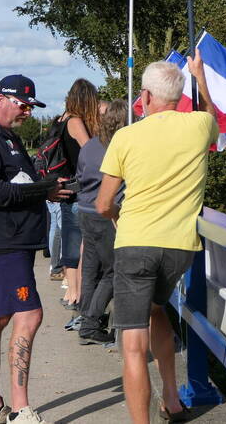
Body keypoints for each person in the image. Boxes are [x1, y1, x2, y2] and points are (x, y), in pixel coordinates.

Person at [96, 52, 218, 424]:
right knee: (156, 310)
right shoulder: (199, 126)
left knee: (132, 347)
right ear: (180, 98)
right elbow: (213, 115)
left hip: (136, 244)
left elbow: (102, 204)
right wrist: (200, 77)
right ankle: (172, 397)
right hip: (180, 248)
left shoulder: (126, 136)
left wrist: (119, 217)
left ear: (146, 97)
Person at [0, 74, 71, 424]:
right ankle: (20, 410)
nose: (26, 112)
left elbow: (16, 181)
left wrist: (45, 187)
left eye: (30, 107)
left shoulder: (6, 136)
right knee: (30, 314)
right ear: (1, 99)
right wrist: (42, 192)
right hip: (1, 241)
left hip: (10, 241)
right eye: (22, 105)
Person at [75, 98, 128, 345]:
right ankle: (90, 322)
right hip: (106, 214)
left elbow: (79, 175)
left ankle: (85, 317)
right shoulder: (121, 148)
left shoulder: (90, 146)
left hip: (85, 211)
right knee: (114, 269)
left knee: (90, 268)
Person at [50, 78, 101, 311]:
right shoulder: (75, 121)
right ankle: (79, 293)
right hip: (79, 190)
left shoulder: (60, 120)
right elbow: (91, 151)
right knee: (82, 246)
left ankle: (71, 292)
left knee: (71, 243)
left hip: (64, 189)